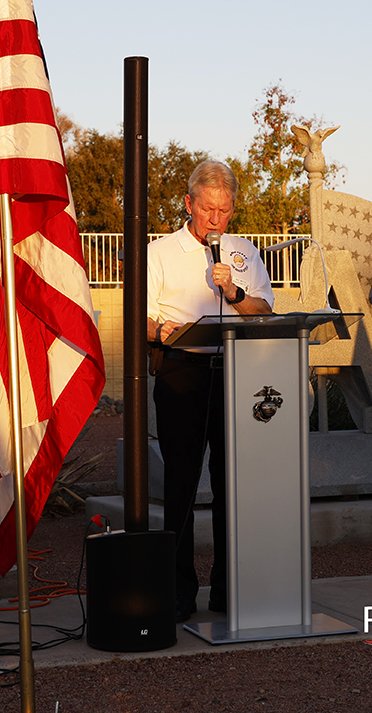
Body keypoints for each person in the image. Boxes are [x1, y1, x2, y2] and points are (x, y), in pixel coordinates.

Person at [146, 160, 275, 622]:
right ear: (189, 204)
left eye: (224, 210)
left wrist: (235, 294)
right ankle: (180, 591)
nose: (216, 220)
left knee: (231, 485)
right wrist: (162, 330)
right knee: (181, 483)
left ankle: (227, 589)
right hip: (182, 371)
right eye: (207, 209)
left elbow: (263, 310)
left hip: (236, 372)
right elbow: (139, 314)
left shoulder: (242, 251)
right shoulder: (159, 252)